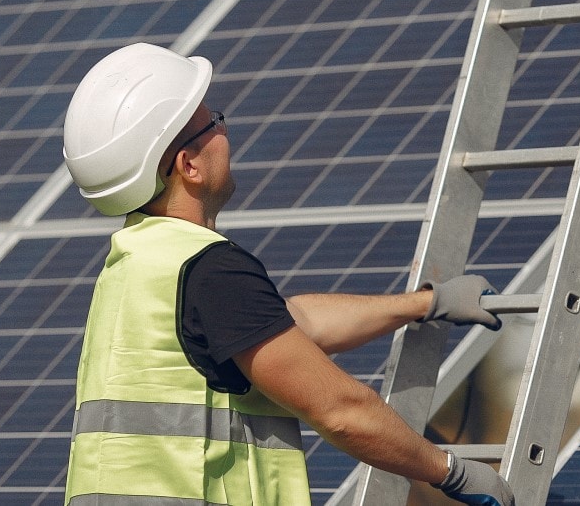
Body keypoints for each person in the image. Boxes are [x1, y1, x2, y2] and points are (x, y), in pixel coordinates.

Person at [62, 42, 514, 506]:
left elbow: (290, 324)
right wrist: (451, 473)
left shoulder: (136, 264)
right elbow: (339, 411)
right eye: (213, 122)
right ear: (189, 165)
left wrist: (424, 303)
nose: (224, 131)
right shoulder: (209, 271)